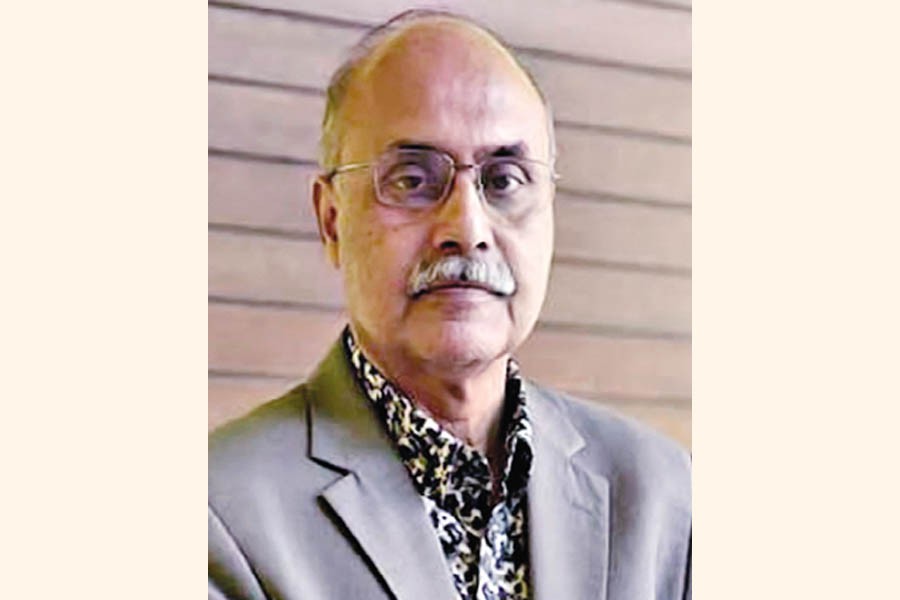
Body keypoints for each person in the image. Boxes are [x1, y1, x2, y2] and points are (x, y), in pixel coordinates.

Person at [209, 10, 691, 600]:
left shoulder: (665, 496)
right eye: (413, 179)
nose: (467, 229)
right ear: (332, 220)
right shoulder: (219, 515)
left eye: (503, 180)